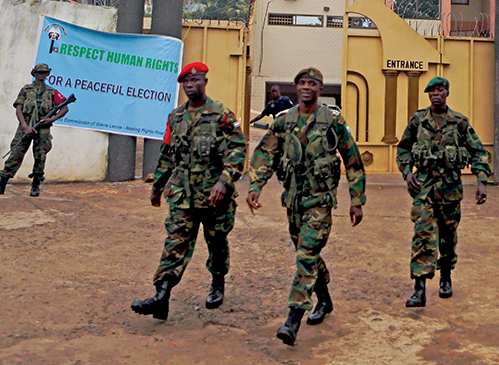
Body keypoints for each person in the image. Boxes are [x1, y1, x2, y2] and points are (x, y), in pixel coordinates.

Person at [247, 67, 366, 346]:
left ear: (320, 89)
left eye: (312, 83)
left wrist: (357, 201)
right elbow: (266, 153)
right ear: (295, 88)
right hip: (293, 202)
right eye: (302, 83)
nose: (306, 87)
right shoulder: (284, 121)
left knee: (306, 256)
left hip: (320, 202)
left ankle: (293, 319)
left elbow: (353, 161)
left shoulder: (332, 120)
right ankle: (324, 299)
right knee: (307, 254)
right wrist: (255, 186)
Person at [131, 62, 246, 321]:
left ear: (205, 81)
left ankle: (218, 284)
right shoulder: (176, 117)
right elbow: (167, 155)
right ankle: (161, 296)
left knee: (216, 243)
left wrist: (224, 181)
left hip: (215, 197)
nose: (190, 86)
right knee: (174, 243)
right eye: (186, 83)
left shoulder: (222, 115)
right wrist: (157, 187)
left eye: (195, 81)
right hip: (183, 195)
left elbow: (238, 150)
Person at [396, 76, 491, 308]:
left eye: (440, 90)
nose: (435, 94)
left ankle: (445, 276)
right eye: (432, 91)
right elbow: (403, 149)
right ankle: (419, 289)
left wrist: (481, 181)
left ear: (447, 93)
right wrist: (408, 174)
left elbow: (478, 151)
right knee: (423, 235)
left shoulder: (459, 122)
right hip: (424, 187)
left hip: (449, 189)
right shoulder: (418, 121)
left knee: (448, 239)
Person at [0, 63, 70, 197]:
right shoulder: (26, 90)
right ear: (34, 74)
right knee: (15, 154)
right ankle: (2, 184)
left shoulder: (52, 92)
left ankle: (35, 185)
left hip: (42, 129)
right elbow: (18, 109)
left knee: (40, 157)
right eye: (39, 72)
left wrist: (52, 119)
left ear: (47, 74)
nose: (41, 75)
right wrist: (25, 126)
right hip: (25, 127)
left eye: (44, 72)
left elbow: (64, 108)